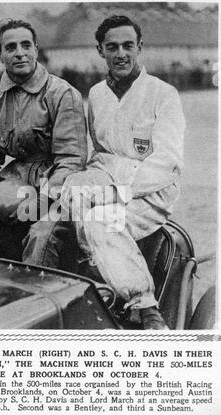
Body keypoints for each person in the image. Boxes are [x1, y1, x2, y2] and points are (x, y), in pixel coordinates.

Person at [61, 15, 185, 329]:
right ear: (100, 50)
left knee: (101, 218)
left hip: (150, 194)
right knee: (68, 189)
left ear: (139, 47)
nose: (121, 54)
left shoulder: (163, 94)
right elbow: (100, 153)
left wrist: (119, 192)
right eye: (112, 47)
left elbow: (168, 162)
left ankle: (146, 307)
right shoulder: (98, 94)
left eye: (128, 45)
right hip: (110, 180)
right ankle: (94, 276)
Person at [0, 19, 87, 267]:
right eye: (11, 47)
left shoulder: (62, 94)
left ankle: (36, 301)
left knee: (41, 237)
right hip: (13, 182)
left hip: (58, 188)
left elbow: (71, 160)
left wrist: (42, 201)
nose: (19, 53)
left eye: (26, 45)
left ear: (36, 49)